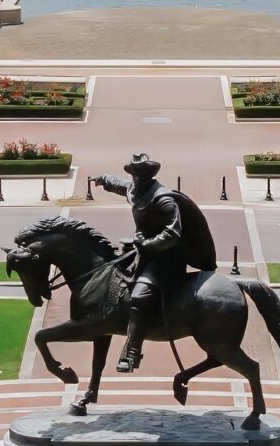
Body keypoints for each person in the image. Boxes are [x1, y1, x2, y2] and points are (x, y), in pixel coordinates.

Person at [87, 152, 216, 372]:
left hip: (167, 258)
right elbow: (121, 185)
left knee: (139, 296)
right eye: (134, 174)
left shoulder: (163, 199)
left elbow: (173, 233)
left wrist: (147, 243)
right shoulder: (134, 189)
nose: (136, 179)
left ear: (149, 175)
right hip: (142, 252)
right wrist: (104, 179)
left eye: (140, 175)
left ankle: (133, 353)